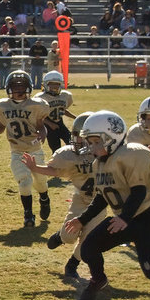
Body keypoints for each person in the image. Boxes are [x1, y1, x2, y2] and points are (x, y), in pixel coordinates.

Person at [65, 111, 150, 300]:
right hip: (123, 218)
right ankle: (98, 279)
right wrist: (82, 220)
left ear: (113, 138)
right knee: (89, 248)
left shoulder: (131, 154)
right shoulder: (98, 164)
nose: (92, 147)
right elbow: (102, 196)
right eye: (90, 142)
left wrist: (124, 218)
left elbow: (139, 191)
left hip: (146, 217)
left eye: (97, 142)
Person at [21, 113, 101, 280]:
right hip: (81, 199)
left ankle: (72, 264)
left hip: (100, 202)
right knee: (69, 236)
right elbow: (55, 170)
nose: (80, 140)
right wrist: (36, 168)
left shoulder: (109, 154)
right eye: (78, 135)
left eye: (85, 137)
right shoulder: (69, 154)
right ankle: (61, 236)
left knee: (89, 240)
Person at [0, 71, 51, 227]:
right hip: (17, 152)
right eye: (15, 88)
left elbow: (40, 125)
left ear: (28, 88)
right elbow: (2, 125)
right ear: (9, 89)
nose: (19, 91)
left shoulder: (36, 105)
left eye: (22, 87)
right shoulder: (2, 106)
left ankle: (44, 198)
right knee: (24, 182)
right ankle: (28, 214)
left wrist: (43, 132)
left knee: (41, 182)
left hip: (35, 150)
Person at [35, 71, 76, 153]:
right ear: (46, 84)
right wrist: (50, 124)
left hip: (60, 124)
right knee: (56, 149)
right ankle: (57, 161)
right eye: (52, 84)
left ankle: (72, 159)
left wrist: (75, 117)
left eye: (57, 84)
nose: (55, 86)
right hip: (49, 127)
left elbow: (62, 110)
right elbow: (37, 116)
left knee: (72, 143)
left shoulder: (65, 96)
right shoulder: (41, 98)